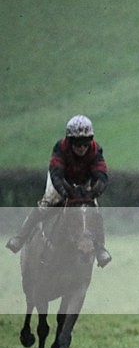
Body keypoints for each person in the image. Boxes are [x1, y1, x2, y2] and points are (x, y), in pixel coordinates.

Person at [5, 114, 112, 267]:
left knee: (94, 209)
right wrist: (64, 192)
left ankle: (100, 248)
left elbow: (101, 173)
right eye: (77, 143)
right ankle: (20, 238)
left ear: (90, 140)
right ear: (69, 141)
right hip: (62, 180)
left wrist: (96, 191)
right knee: (46, 203)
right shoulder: (60, 148)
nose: (81, 147)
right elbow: (56, 173)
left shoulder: (95, 149)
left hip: (84, 182)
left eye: (85, 143)